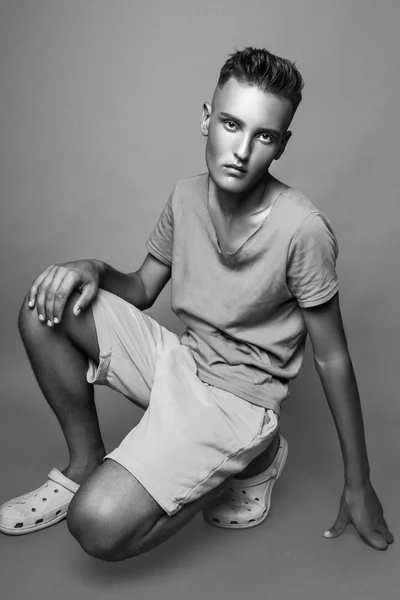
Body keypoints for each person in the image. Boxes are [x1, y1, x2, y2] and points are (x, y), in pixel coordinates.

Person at [0, 47, 393, 559]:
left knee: (96, 525)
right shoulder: (185, 197)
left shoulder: (303, 229)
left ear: (282, 145)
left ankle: (256, 458)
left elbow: (333, 357)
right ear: (206, 119)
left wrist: (358, 486)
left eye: (265, 136)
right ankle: (84, 465)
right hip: (179, 362)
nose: (242, 150)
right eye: (231, 124)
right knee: (44, 304)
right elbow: (141, 289)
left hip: (238, 403)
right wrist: (92, 269)